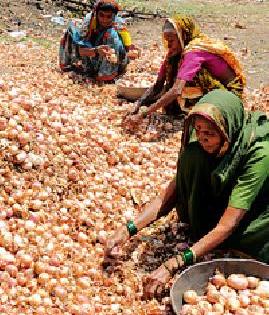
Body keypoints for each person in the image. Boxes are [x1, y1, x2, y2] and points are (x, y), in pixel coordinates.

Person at [105, 89, 269, 298]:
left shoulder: (260, 153)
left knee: (242, 239)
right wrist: (127, 230)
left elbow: (228, 224)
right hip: (226, 189)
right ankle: (208, 231)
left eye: (209, 133)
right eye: (198, 130)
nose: (202, 138)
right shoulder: (200, 137)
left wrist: (175, 263)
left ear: (228, 130)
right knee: (193, 155)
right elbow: (169, 195)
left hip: (257, 206)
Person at [125, 15, 246, 124]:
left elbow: (177, 90)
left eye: (171, 41)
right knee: (172, 68)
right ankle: (181, 110)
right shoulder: (176, 53)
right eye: (166, 41)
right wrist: (138, 104)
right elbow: (158, 85)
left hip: (229, 94)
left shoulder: (194, 52)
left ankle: (203, 111)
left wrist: (144, 114)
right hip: (215, 91)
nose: (169, 45)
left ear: (183, 36)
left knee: (193, 76)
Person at [59, 0, 132, 82]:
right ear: (96, 14)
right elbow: (80, 50)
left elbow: (126, 51)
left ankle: (105, 76)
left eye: (108, 16)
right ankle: (67, 67)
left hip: (113, 63)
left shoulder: (119, 26)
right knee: (70, 31)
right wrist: (96, 50)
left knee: (110, 35)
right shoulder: (88, 24)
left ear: (114, 16)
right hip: (92, 56)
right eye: (101, 15)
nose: (104, 20)